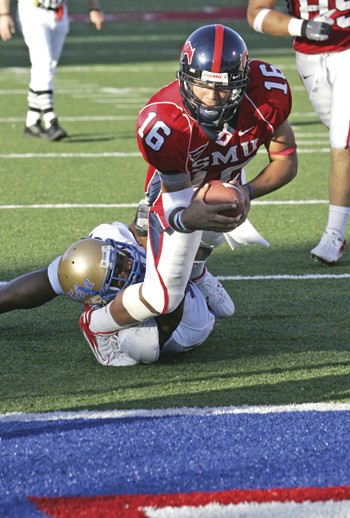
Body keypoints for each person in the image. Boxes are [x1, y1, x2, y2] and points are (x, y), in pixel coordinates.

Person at [78, 24, 297, 347]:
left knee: (224, 206)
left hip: (222, 182)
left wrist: (245, 192)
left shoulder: (268, 94)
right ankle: (96, 324)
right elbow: (176, 203)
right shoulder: (164, 120)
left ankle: (196, 268)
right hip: (174, 194)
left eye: (223, 88)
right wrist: (184, 218)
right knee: (163, 302)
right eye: (202, 86)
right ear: (185, 77)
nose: (211, 98)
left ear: (242, 83)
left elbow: (285, 160)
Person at [0, 220, 215, 367]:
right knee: (142, 345)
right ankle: (96, 325)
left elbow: (134, 232)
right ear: (100, 300)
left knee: (65, 270)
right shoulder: (195, 324)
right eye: (120, 272)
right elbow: (170, 306)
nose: (129, 264)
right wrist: (174, 268)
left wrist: (145, 223)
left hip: (134, 290)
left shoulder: (108, 238)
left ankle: (197, 271)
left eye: (121, 258)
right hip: (183, 320)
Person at [247, 1, 350, 265]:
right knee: (340, 136)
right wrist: (302, 26)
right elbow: (256, 13)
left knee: (342, 141)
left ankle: (334, 235)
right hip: (310, 57)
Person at [0, 0, 104, 141]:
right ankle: (51, 120)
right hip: (33, 9)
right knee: (45, 64)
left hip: (59, 12)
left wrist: (94, 8)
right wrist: (4, 13)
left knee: (46, 68)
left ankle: (32, 120)